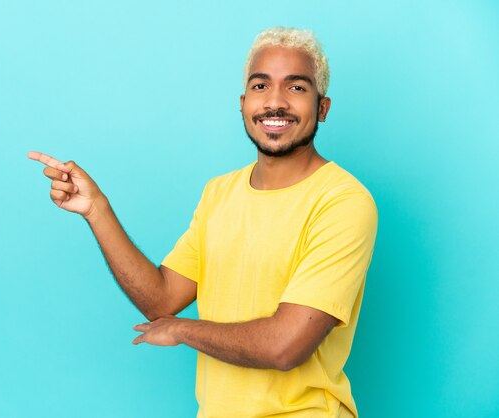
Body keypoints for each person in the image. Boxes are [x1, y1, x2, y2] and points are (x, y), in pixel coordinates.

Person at [28, 27, 378, 418]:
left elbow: (286, 346)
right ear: (244, 102)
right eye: (261, 86)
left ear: (323, 107)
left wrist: (183, 330)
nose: (275, 102)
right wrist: (97, 210)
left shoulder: (343, 202)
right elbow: (161, 300)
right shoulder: (219, 192)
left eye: (296, 88)